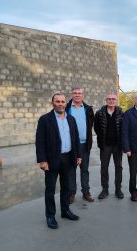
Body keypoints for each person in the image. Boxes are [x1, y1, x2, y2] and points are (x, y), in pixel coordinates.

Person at [36, 93, 82, 229]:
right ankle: (50, 215)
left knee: (66, 187)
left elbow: (76, 139)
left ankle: (65, 210)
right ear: (52, 103)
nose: (60, 104)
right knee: (50, 189)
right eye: (57, 101)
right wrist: (42, 160)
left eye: (62, 101)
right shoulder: (45, 119)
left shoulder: (71, 119)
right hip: (52, 160)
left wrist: (78, 155)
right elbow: (40, 141)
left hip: (68, 158)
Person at [66, 87, 95, 202]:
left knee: (84, 170)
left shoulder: (88, 109)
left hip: (84, 145)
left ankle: (86, 192)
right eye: (75, 93)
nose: (77, 95)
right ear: (72, 95)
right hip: (70, 145)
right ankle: (71, 193)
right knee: (71, 170)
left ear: (83, 95)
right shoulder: (67, 108)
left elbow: (90, 125)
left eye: (79, 93)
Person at [94, 94, 124, 199]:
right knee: (104, 167)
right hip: (105, 145)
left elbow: (123, 129)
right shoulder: (99, 113)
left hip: (117, 145)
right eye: (109, 99)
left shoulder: (121, 113)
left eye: (113, 99)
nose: (111, 101)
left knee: (118, 167)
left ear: (116, 100)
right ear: (106, 100)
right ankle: (105, 189)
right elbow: (96, 128)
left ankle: (118, 189)